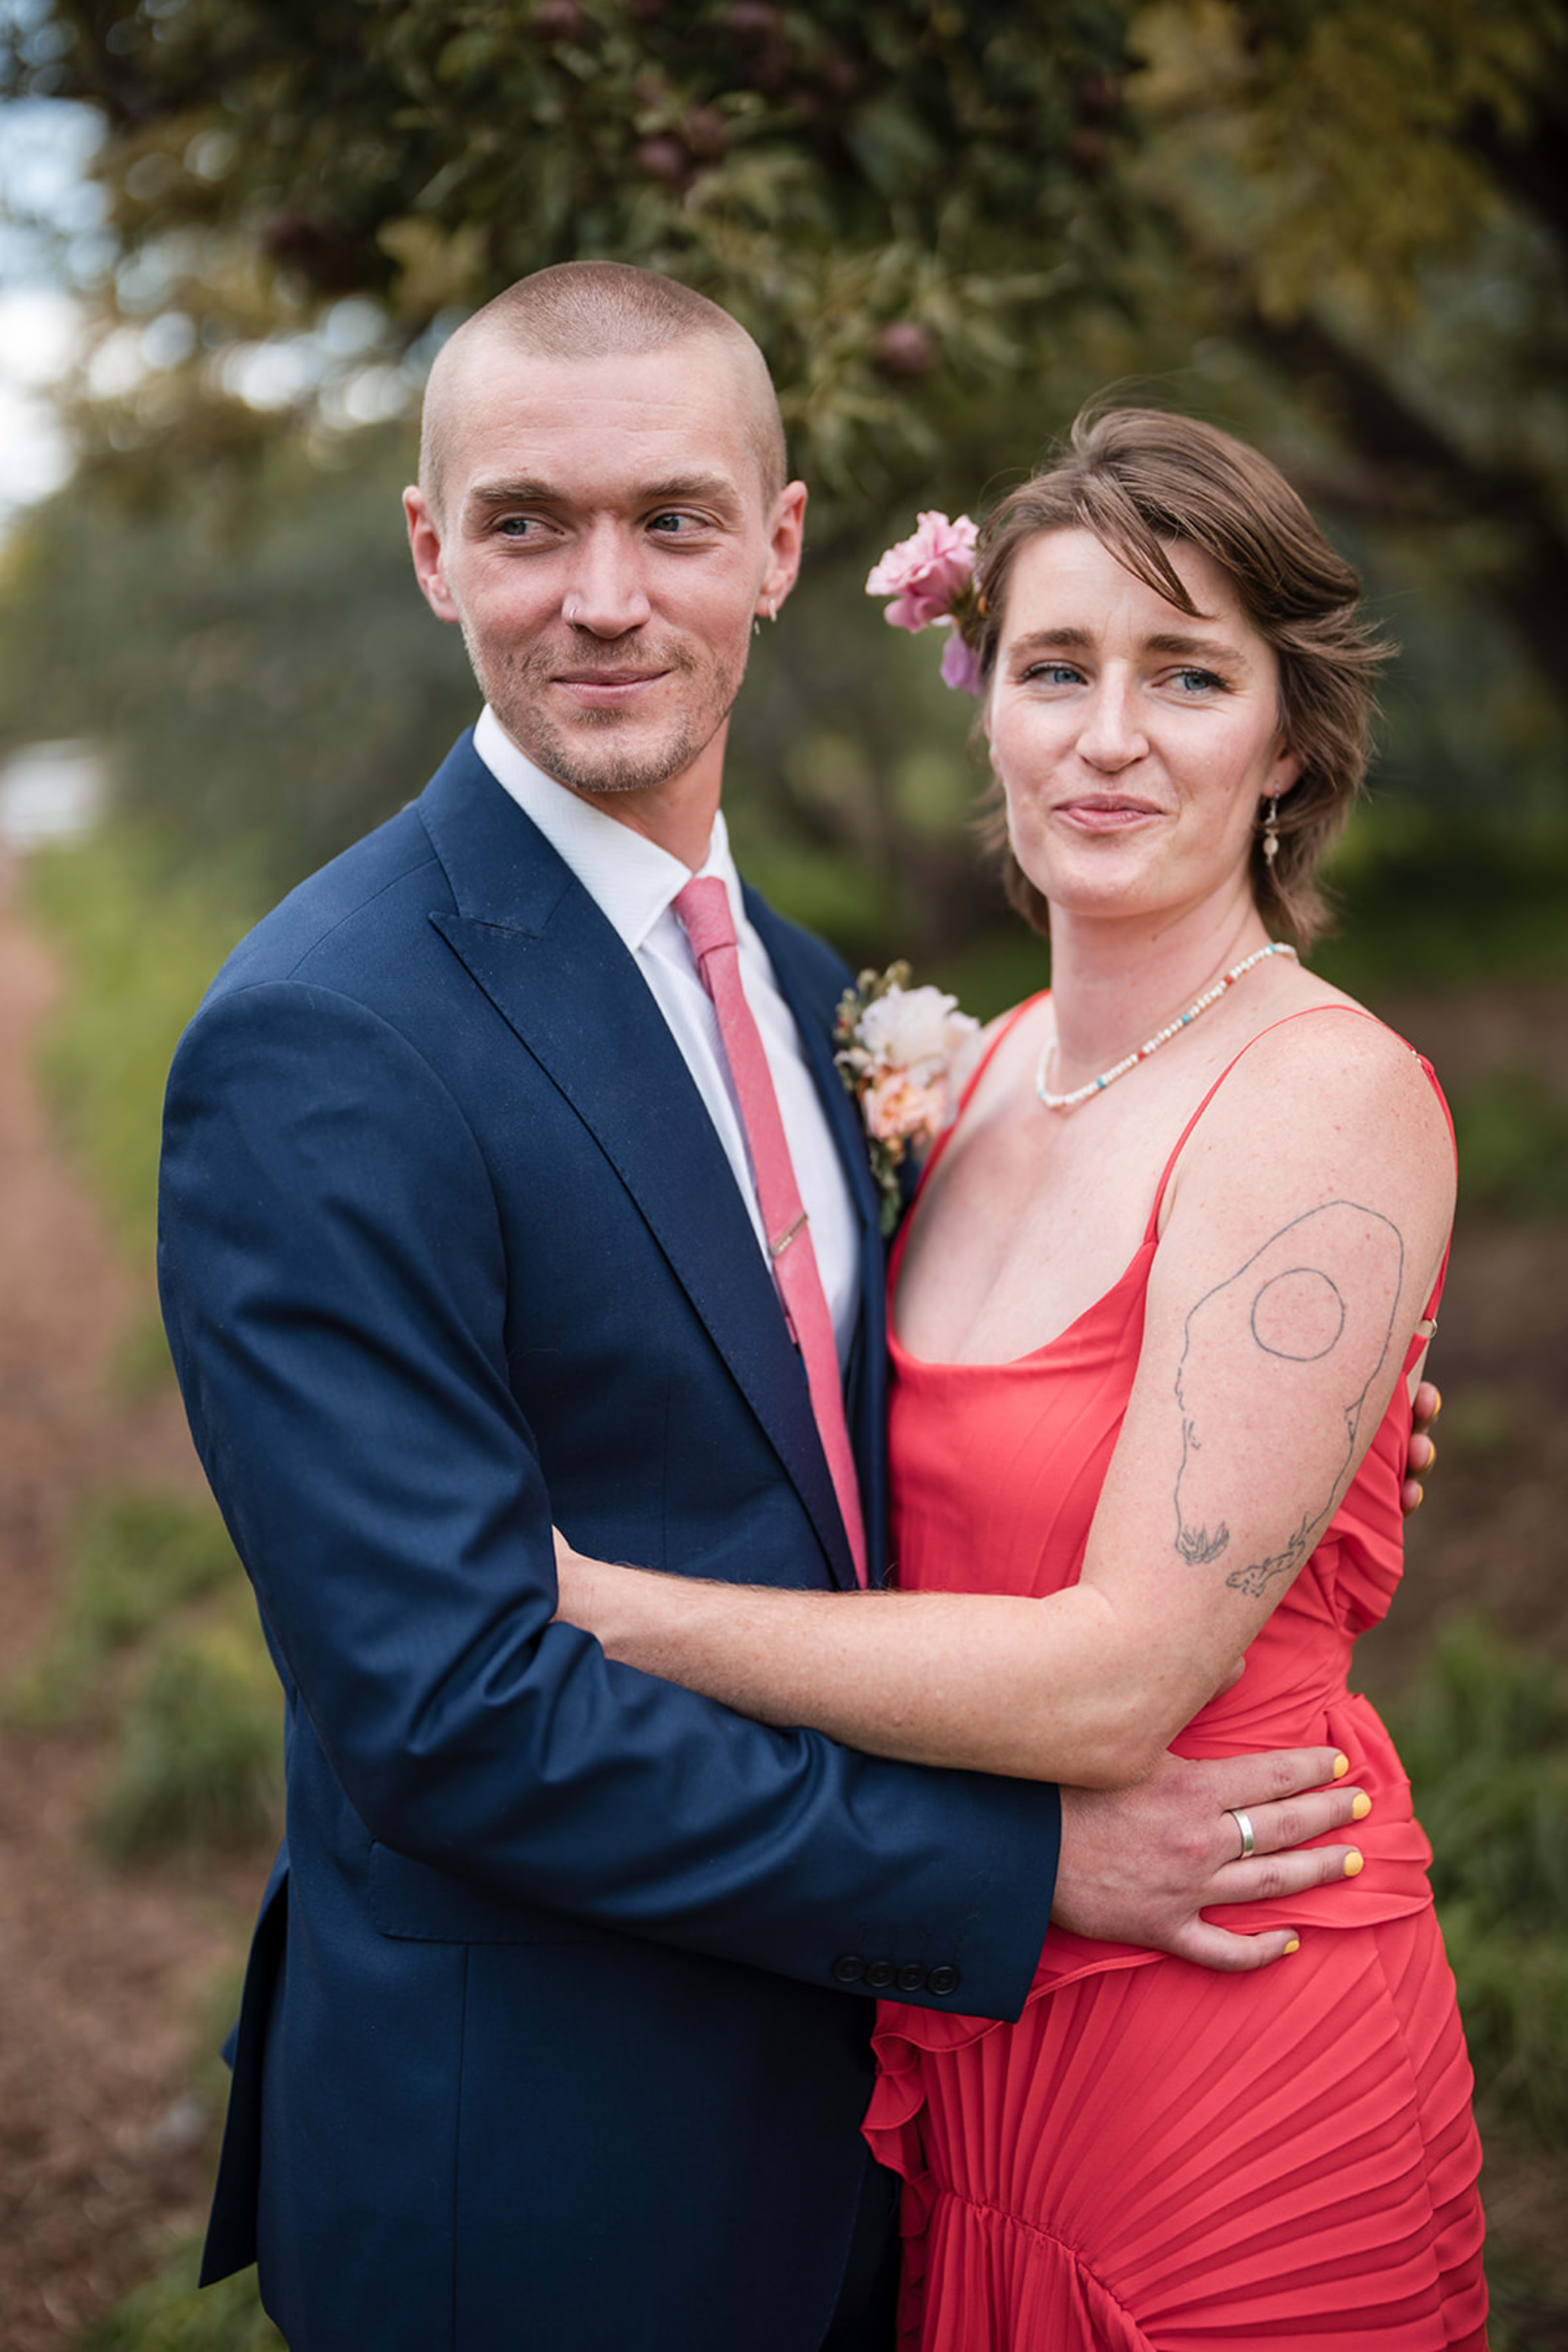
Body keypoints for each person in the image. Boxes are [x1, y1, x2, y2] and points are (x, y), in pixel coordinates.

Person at [159, 274, 1425, 2352]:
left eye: (671, 519)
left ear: (778, 545)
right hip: (558, 2155)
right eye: (525, 525)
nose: (602, 595)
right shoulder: (324, 1035)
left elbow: (901, 1426)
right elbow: (451, 1711)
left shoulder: (831, 1001)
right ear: (427, 551)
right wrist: (1014, 1876)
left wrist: (1328, 1399)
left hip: (898, 2120)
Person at [551, 407, 1486, 2346]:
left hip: (1225, 2003)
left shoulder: (1321, 1101)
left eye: (1189, 674)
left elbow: (1124, 1671)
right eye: (1059, 666)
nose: (1110, 734)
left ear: (1290, 740)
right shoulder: (960, 1080)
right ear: (987, 704)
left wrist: (600, 1616)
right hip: (982, 1981)